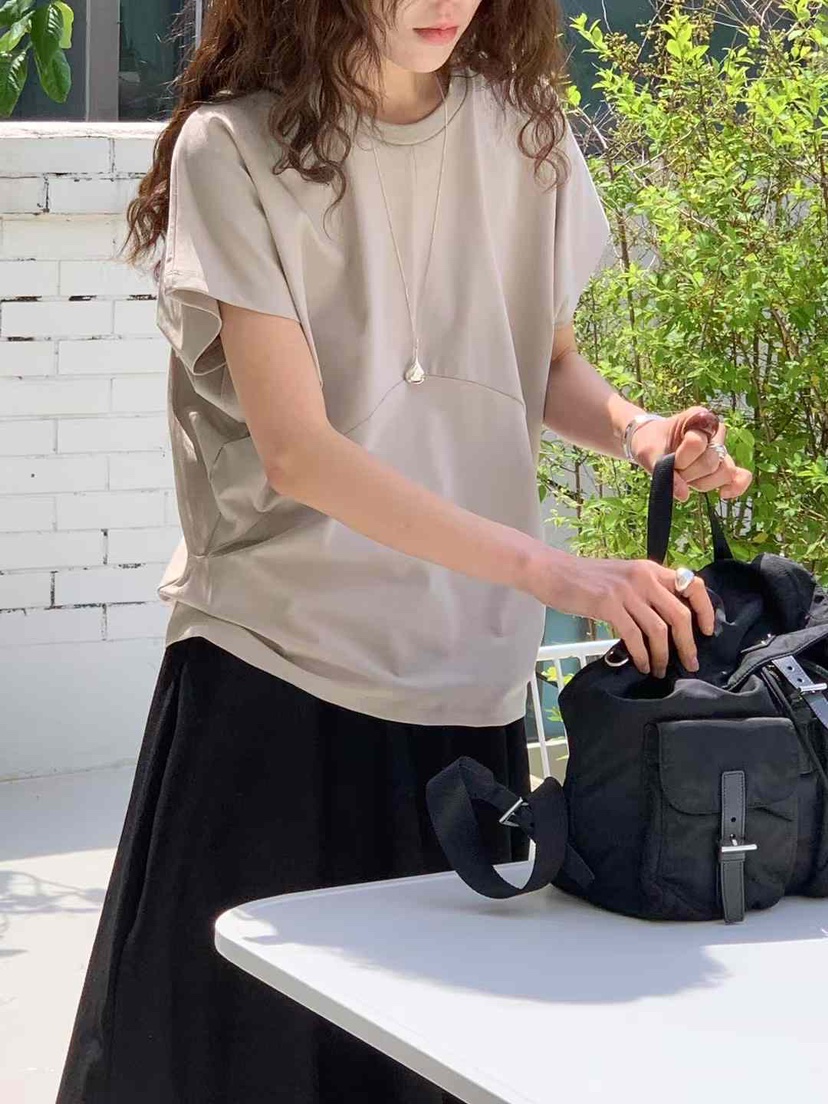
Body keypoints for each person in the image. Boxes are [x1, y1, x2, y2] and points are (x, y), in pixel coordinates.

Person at [56, 2, 753, 1102]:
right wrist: (560, 574)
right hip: (278, 675)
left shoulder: (522, 132)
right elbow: (299, 453)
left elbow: (540, 362)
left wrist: (639, 432)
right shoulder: (232, 148)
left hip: (463, 683)